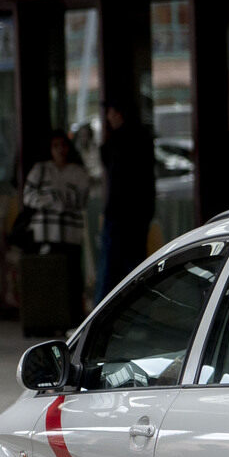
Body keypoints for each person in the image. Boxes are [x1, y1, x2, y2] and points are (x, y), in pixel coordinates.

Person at [21, 129, 92, 325]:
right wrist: (54, 200)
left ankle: (72, 321)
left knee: (71, 280)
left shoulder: (78, 172)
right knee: (47, 278)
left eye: (63, 146)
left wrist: (50, 199)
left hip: (70, 234)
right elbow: (28, 196)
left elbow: (80, 199)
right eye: (55, 146)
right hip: (45, 234)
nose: (60, 150)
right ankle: (48, 319)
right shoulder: (41, 170)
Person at [96, 100, 155, 304]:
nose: (108, 118)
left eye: (110, 113)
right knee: (135, 266)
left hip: (120, 212)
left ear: (119, 114)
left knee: (110, 269)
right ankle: (138, 309)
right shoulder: (143, 138)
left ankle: (102, 314)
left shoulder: (118, 142)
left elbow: (108, 162)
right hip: (139, 213)